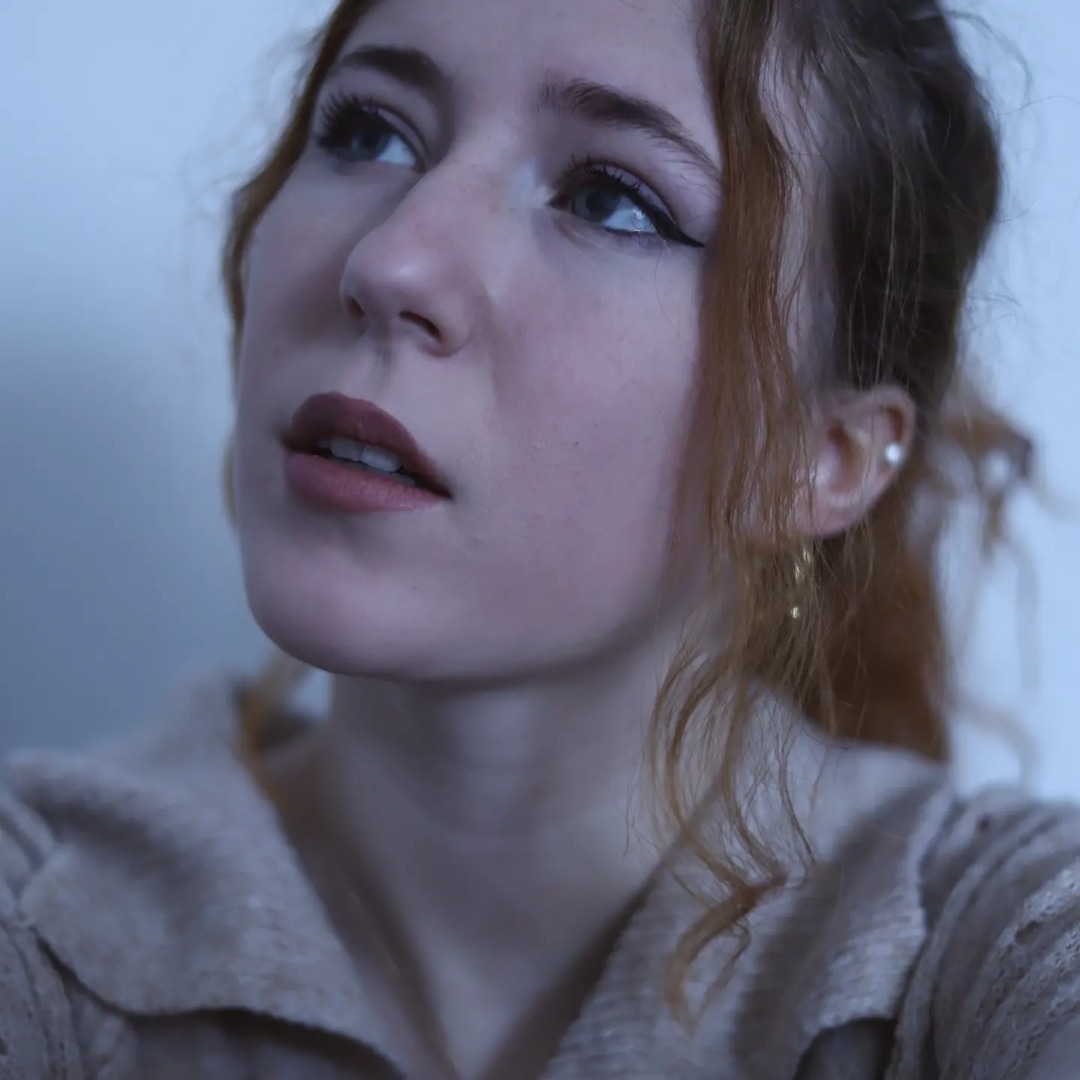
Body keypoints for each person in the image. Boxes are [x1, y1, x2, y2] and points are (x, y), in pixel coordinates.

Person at [2, 0, 1077, 1076]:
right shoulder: (39, 916)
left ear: (820, 458)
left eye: (612, 200)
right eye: (369, 131)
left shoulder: (985, 943)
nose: (390, 262)